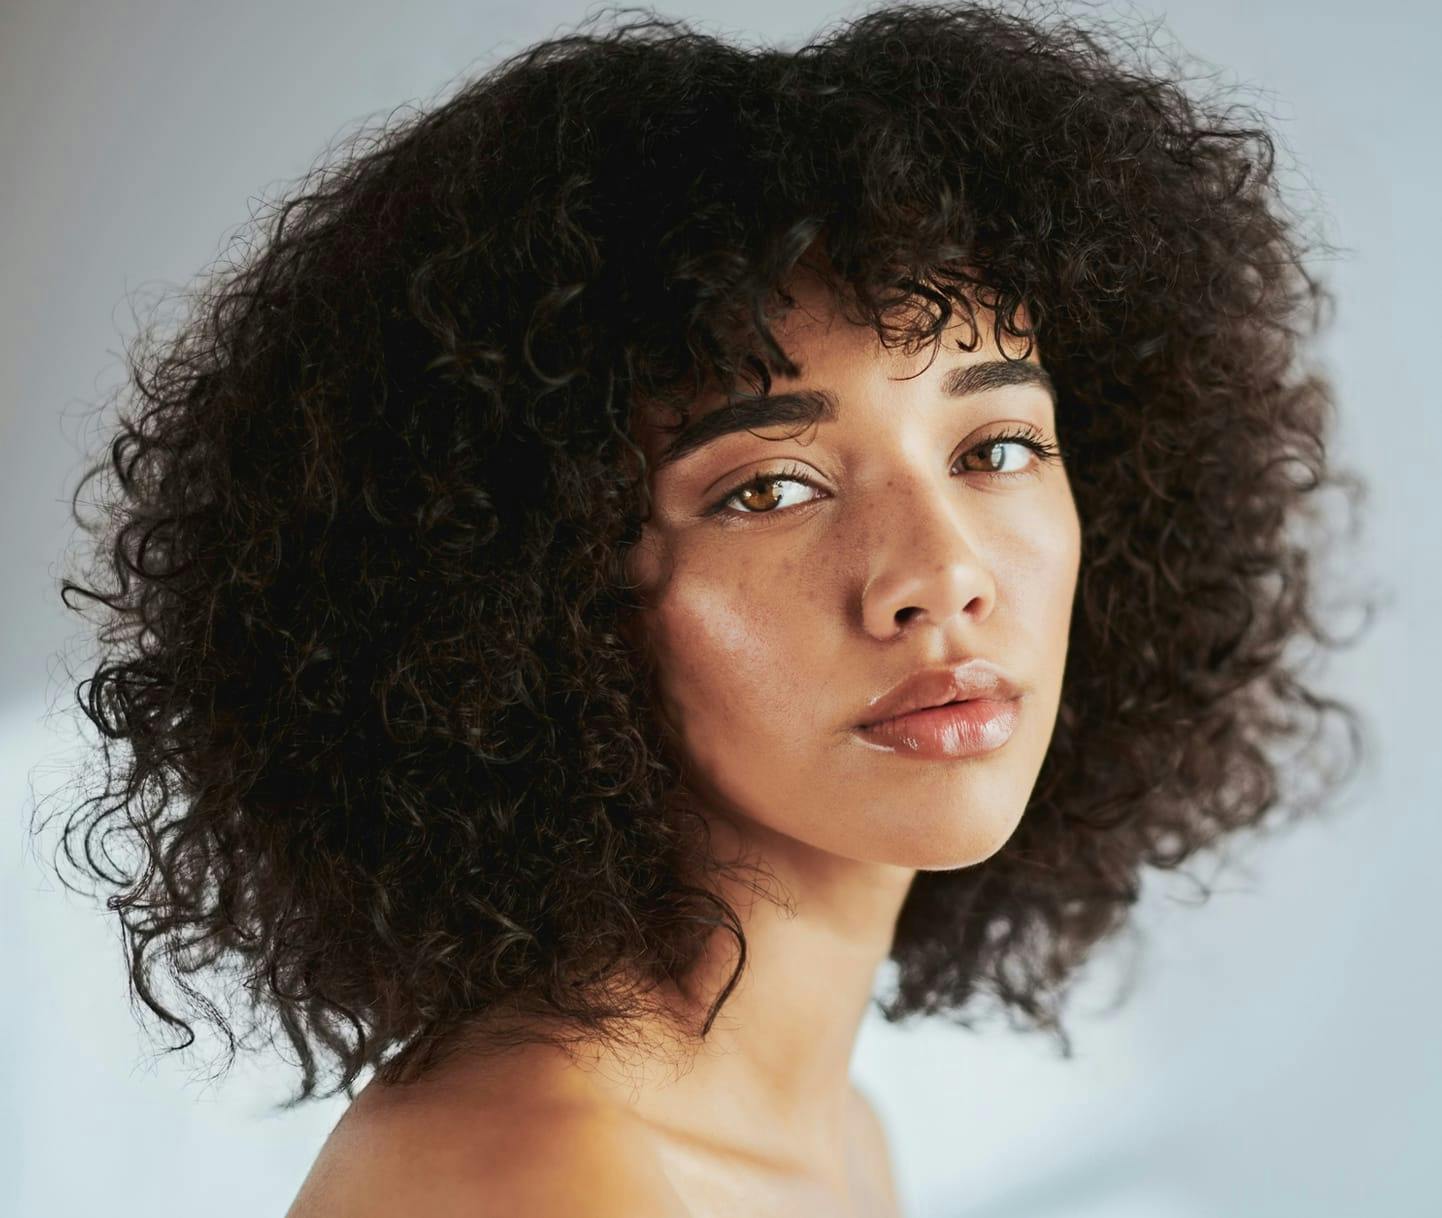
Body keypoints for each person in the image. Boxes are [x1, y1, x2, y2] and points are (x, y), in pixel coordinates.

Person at [36, 3, 1370, 1215]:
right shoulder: (545, 1173)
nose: (939, 570)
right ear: (535, 596)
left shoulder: (828, 1140)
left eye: (997, 448)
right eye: (769, 487)